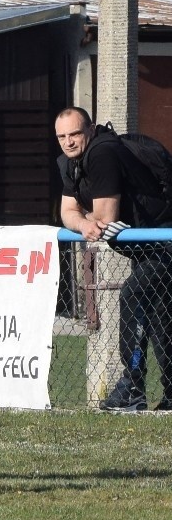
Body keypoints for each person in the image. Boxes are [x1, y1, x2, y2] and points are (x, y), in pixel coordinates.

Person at [55, 106, 172, 412]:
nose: (68, 142)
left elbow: (106, 218)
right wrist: (82, 223)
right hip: (147, 247)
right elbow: (67, 212)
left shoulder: (102, 152)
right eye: (62, 136)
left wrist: (88, 216)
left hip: (164, 241)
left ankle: (132, 387)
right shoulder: (72, 162)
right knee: (161, 317)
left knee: (133, 296)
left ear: (90, 130)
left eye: (75, 134)